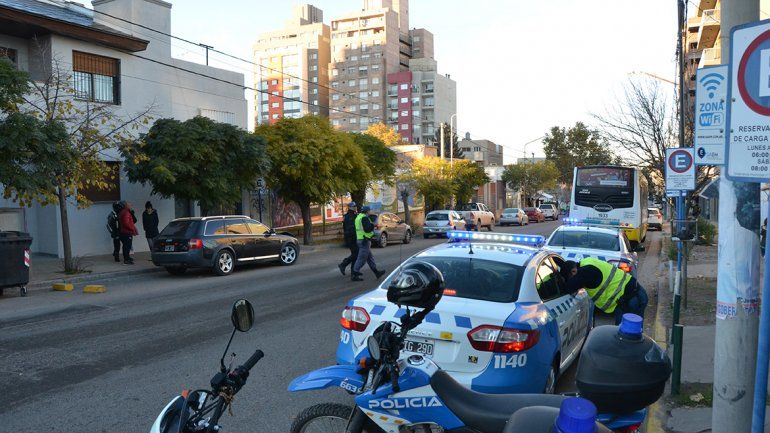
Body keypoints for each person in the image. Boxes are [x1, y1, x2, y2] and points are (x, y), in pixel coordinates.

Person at [561, 258, 648, 325]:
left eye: (570, 277)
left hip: (631, 300)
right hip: (636, 293)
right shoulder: (587, 261)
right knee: (633, 334)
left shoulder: (585, 272)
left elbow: (568, 288)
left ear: (573, 271)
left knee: (625, 337)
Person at [351, 206, 385, 282]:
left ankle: (376, 272)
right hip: (364, 240)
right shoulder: (364, 218)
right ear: (367, 211)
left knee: (370, 258)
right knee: (361, 258)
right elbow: (367, 229)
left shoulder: (358, 217)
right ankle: (355, 273)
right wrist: (373, 225)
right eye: (369, 210)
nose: (370, 212)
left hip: (360, 239)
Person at [337, 201, 359, 276]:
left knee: (355, 254)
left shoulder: (351, 215)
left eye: (355, 206)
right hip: (351, 238)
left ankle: (353, 272)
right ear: (351, 208)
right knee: (356, 254)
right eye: (354, 206)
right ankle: (343, 264)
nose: (355, 208)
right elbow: (350, 229)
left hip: (351, 238)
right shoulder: (350, 216)